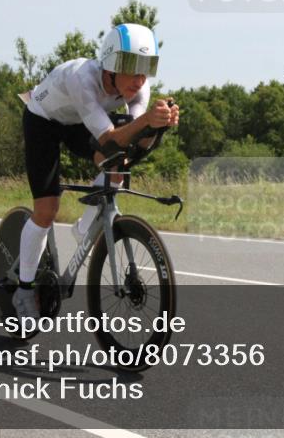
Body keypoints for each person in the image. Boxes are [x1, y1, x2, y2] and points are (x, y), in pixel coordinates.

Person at [13, 23, 179, 320]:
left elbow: (134, 140)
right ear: (111, 63)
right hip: (44, 122)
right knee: (47, 210)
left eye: (147, 69)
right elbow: (109, 138)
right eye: (132, 67)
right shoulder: (82, 78)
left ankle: (84, 227)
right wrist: (147, 122)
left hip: (78, 121)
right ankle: (24, 289)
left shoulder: (138, 88)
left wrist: (158, 127)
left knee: (118, 162)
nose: (140, 79)